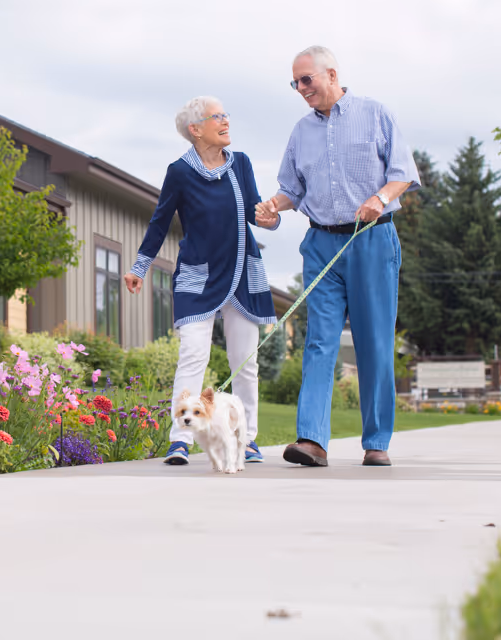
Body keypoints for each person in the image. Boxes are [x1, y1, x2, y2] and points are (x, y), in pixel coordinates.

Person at [255, 46, 419, 467]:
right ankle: (311, 440)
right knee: (319, 342)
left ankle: (376, 442)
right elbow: (292, 190)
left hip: (372, 240)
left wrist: (380, 198)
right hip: (322, 244)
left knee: (374, 344)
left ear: (331, 74)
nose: (301, 89)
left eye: (306, 80)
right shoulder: (300, 132)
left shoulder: (374, 114)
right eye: (295, 83)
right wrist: (273, 206)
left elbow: (403, 171)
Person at [124, 96, 279, 466]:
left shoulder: (240, 164)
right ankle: (180, 438)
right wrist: (139, 267)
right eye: (217, 117)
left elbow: (257, 212)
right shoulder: (179, 171)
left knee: (245, 362)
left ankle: (247, 438)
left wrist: (270, 219)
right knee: (193, 354)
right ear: (196, 129)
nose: (226, 121)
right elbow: (160, 221)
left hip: (242, 274)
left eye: (227, 114)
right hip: (198, 276)